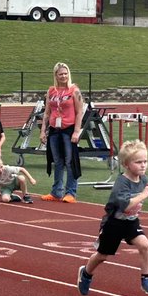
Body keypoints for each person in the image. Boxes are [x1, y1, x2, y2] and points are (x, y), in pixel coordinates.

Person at [77, 140, 148, 296]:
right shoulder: (121, 183)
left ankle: (145, 277)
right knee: (102, 256)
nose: (143, 165)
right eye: (138, 162)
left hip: (131, 221)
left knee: (145, 245)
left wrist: (140, 199)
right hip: (114, 223)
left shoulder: (143, 179)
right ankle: (86, 273)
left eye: (145, 161)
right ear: (126, 164)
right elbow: (125, 205)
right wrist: (143, 195)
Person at [40, 61, 85, 202]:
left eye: (65, 73)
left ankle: (71, 192)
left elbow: (79, 112)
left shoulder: (74, 91)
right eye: (61, 74)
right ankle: (56, 192)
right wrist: (43, 131)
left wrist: (77, 132)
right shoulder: (51, 91)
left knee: (69, 161)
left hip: (68, 129)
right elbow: (47, 113)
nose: (63, 76)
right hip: (54, 129)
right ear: (56, 75)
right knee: (57, 161)